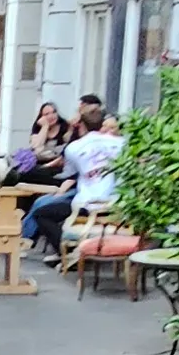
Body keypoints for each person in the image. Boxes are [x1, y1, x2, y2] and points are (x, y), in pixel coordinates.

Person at [23, 113, 122, 264]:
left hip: (88, 204)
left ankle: (66, 252)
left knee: (42, 213)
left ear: (82, 126)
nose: (107, 130)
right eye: (105, 126)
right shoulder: (125, 144)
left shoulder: (75, 147)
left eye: (111, 127)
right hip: (115, 203)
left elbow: (68, 173)